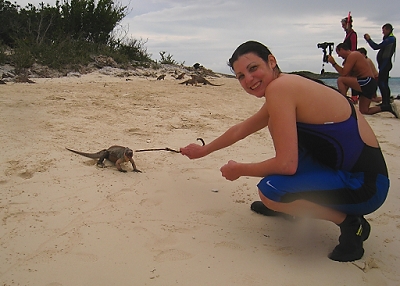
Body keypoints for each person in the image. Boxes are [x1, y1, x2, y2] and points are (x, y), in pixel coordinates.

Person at [180, 40, 390, 262]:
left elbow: (286, 165)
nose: (248, 79)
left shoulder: (280, 88)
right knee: (275, 126)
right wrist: (204, 151)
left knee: (270, 191)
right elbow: (242, 129)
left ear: (271, 61)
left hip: (366, 188)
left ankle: (350, 224)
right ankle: (291, 206)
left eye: (253, 68)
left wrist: (238, 169)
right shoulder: (285, 85)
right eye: (241, 76)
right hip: (354, 176)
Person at [327, 43, 398, 117]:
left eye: (338, 53)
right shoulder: (352, 57)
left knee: (340, 80)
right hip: (369, 84)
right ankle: (387, 107)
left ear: (341, 49)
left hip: (367, 81)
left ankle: (343, 104)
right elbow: (347, 76)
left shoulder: (353, 55)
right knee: (364, 111)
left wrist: (334, 63)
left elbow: (343, 74)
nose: (339, 56)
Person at [364, 23, 397, 108]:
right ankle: (386, 101)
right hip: (383, 64)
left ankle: (386, 102)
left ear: (388, 30)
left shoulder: (390, 39)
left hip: (385, 64)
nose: (383, 32)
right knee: (383, 82)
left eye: (384, 30)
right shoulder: (388, 38)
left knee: (382, 82)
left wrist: (369, 40)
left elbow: (376, 47)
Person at [341, 14, 358, 103]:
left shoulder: (353, 34)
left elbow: (354, 47)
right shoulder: (348, 34)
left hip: (351, 58)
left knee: (350, 77)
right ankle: (345, 95)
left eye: (344, 25)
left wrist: (350, 59)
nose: (343, 27)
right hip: (348, 58)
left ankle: (354, 97)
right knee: (347, 76)